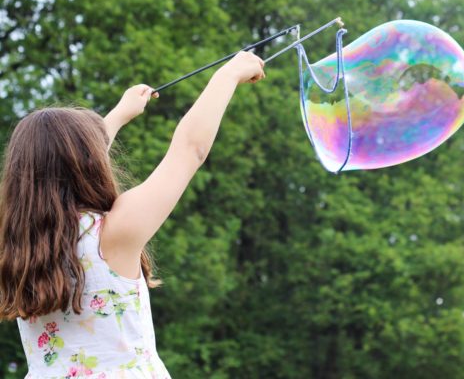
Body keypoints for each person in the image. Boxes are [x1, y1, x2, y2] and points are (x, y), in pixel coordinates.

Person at [0, 51, 266, 378]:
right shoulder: (111, 233)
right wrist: (229, 74)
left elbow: (62, 167)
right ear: (89, 160)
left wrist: (117, 117)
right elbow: (189, 150)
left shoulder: (16, 245)